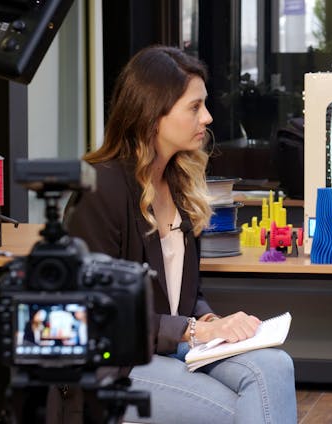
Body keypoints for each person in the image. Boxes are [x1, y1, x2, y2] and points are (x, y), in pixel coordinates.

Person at [64, 45, 297, 423]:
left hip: (172, 348)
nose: (206, 117)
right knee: (240, 411)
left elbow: (188, 295)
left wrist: (206, 322)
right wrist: (193, 331)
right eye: (194, 107)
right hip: (115, 365)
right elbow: (99, 312)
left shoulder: (180, 182)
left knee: (276, 367)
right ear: (153, 113)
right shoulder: (101, 188)